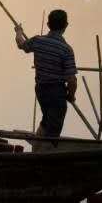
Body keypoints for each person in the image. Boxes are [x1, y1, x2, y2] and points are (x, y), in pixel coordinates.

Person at [15, 10, 77, 146]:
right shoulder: (66, 49)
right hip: (56, 93)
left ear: (48, 24)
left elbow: (21, 44)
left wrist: (18, 31)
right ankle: (45, 154)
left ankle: (37, 148)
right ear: (66, 25)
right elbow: (71, 79)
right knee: (53, 130)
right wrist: (71, 95)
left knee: (46, 120)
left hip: (41, 90)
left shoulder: (38, 41)